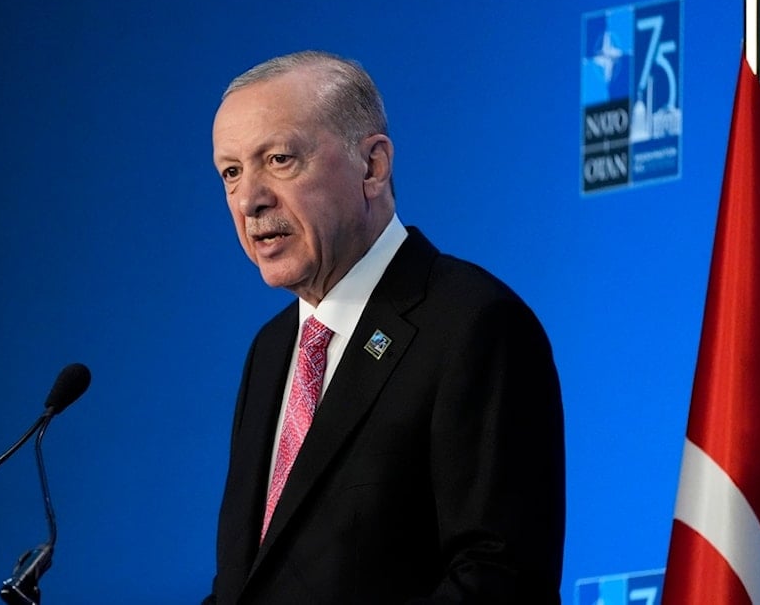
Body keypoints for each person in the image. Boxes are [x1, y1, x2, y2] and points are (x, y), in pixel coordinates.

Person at [204, 50, 564, 604]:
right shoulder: (272, 351)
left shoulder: (472, 324)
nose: (250, 199)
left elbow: (495, 578)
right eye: (231, 172)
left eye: (278, 159)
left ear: (372, 166)